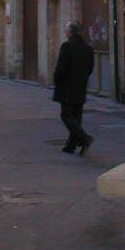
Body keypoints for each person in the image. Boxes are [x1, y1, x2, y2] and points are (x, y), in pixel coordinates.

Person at [53, 21, 95, 156]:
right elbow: (90, 68)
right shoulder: (88, 48)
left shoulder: (67, 46)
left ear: (70, 32)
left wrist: (58, 82)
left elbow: (60, 68)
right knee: (76, 116)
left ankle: (84, 138)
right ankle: (71, 145)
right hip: (80, 86)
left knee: (66, 115)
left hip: (67, 87)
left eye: (66, 30)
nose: (65, 33)